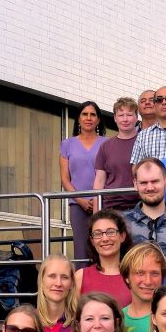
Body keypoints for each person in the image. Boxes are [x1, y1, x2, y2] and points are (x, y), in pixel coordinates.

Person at [60, 101, 107, 265]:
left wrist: (97, 199)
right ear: (78, 119)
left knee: (102, 246)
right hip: (77, 204)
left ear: (99, 119)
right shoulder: (67, 144)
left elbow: (109, 174)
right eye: (84, 114)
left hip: (102, 202)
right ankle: (81, 289)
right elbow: (65, 179)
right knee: (81, 249)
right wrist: (79, 200)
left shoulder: (106, 143)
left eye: (93, 114)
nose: (89, 118)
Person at [125, 158, 166, 268]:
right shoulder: (122, 223)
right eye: (144, 183)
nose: (150, 188)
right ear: (135, 184)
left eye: (155, 181)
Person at [74, 209, 133, 307]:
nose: (105, 239)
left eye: (110, 232)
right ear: (92, 241)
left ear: (122, 236)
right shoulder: (80, 277)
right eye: (98, 234)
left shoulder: (135, 275)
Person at [120, 242, 166, 332]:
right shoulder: (115, 319)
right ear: (127, 277)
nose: (148, 281)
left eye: (154, 273)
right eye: (140, 273)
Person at [92, 97, 140, 212]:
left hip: (139, 206)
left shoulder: (144, 141)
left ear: (136, 117)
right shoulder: (106, 146)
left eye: (129, 115)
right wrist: (96, 213)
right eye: (121, 115)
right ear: (115, 118)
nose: (125, 119)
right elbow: (99, 180)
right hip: (111, 206)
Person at [37, 253, 78, 332]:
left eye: (64, 277)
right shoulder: (30, 321)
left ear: (71, 284)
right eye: (52, 276)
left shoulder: (80, 323)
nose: (58, 283)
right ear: (42, 280)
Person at [130, 86, 166, 164]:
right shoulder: (142, 136)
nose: (164, 102)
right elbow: (135, 167)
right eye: (159, 100)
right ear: (154, 105)